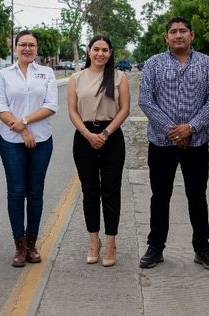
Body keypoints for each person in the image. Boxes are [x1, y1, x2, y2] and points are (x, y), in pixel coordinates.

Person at [138, 16, 209, 271]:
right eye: (173, 31)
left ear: (192, 35)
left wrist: (191, 128)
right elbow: (145, 100)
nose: (178, 35)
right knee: (160, 196)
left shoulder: (207, 64)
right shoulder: (153, 64)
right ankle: (156, 248)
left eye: (183, 31)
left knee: (197, 196)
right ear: (166, 37)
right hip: (161, 143)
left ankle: (202, 248)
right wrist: (172, 131)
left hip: (197, 143)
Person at [0, 30, 58, 267]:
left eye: (31, 45)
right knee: (16, 192)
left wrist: (25, 122)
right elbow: (0, 107)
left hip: (42, 141)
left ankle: (32, 245)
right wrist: (21, 131)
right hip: (12, 142)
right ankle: (19, 247)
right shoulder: (4, 75)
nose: (27, 48)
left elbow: (51, 106)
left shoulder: (46, 73)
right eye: (23, 44)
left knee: (35, 192)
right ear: (15, 47)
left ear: (37, 48)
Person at [67, 36, 130, 267]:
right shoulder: (76, 78)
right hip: (84, 136)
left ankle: (111, 242)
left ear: (111, 52)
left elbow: (124, 109)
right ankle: (94, 242)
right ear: (88, 51)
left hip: (111, 136)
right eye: (96, 49)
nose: (100, 54)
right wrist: (88, 134)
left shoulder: (119, 77)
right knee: (90, 191)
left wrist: (104, 134)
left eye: (105, 50)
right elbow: (72, 111)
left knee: (111, 191)